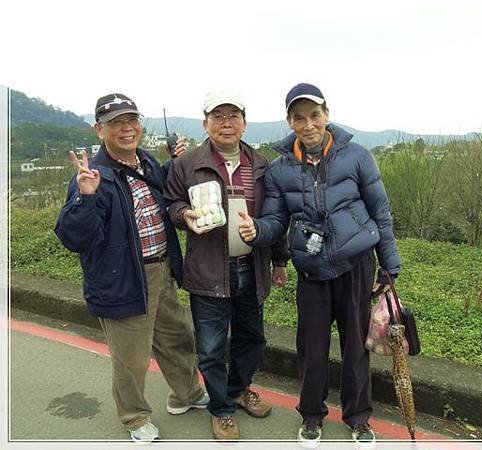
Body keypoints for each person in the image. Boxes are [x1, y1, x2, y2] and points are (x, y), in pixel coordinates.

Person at [238, 83, 401, 448]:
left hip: (356, 265)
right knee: (311, 348)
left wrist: (388, 264)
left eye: (314, 115)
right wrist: (255, 230)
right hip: (311, 270)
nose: (308, 124)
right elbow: (275, 221)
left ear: (326, 114)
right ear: (289, 121)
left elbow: (381, 213)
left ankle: (358, 418)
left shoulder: (357, 156)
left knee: (356, 346)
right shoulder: (281, 169)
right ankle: (311, 416)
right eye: (299, 117)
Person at [54, 93, 208, 443]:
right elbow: (75, 237)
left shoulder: (146, 162)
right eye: (116, 123)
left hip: (161, 270)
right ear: (99, 130)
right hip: (122, 278)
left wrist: (172, 163)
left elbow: (156, 192)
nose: (127, 129)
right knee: (131, 358)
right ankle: (134, 416)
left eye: (132, 120)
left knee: (177, 339)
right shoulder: (93, 176)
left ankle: (187, 394)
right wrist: (85, 197)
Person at [163, 89, 289, 440]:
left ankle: (237, 389)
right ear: (205, 123)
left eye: (233, 115)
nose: (226, 123)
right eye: (217, 116)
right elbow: (170, 203)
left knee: (252, 339)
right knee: (212, 347)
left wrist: (279, 260)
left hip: (252, 264)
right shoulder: (186, 163)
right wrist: (183, 214)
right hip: (208, 269)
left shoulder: (262, 165)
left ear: (245, 123)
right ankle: (220, 408)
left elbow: (275, 215)